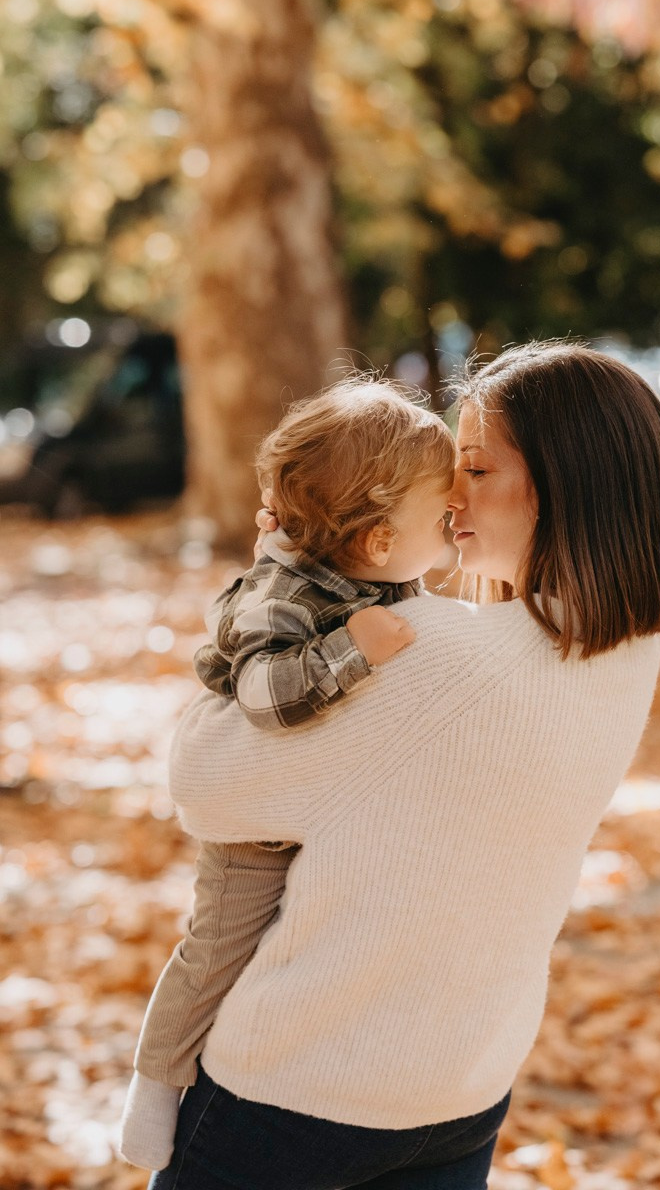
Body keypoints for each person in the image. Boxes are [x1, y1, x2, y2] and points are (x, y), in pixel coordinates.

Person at [146, 341, 660, 1190]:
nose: (449, 495)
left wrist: (284, 584)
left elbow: (203, 782)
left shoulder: (428, 656)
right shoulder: (629, 652)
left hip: (301, 1091)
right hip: (465, 1091)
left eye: (474, 468)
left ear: (565, 484)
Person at [119, 381, 455, 1170]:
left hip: (318, 825)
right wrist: (353, 651)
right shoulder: (278, 600)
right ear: (379, 540)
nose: (453, 532)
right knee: (215, 953)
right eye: (443, 520)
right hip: (253, 835)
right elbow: (267, 698)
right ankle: (155, 1083)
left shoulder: (369, 570)